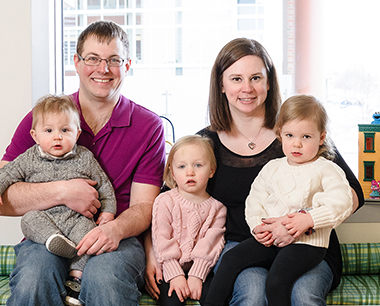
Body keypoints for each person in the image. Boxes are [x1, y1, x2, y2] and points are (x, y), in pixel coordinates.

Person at [144, 38, 364, 306]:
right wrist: (152, 253)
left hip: (309, 246)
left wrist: (301, 222)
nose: (246, 88)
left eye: (256, 78)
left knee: (304, 295)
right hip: (243, 245)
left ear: (269, 83)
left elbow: (352, 193)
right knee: (252, 296)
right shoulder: (204, 144)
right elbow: (164, 202)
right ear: (221, 85)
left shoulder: (297, 133)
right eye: (236, 79)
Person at [0, 20, 166, 306]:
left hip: (116, 236)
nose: (103, 69)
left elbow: (145, 207)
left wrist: (113, 229)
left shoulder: (149, 126)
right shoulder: (44, 119)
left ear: (128, 65)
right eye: (93, 59)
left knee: (105, 279)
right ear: (77, 62)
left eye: (114, 60)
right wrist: (64, 192)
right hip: (47, 231)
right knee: (34, 277)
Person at [203, 94, 353, 306]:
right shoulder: (273, 168)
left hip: (307, 244)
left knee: (276, 281)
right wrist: (259, 227)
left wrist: (307, 219)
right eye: (290, 135)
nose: (297, 144)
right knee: (230, 259)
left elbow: (341, 202)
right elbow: (255, 201)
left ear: (321, 137)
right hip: (271, 239)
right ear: (280, 134)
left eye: (306, 137)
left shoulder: (326, 168)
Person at [0, 94, 117, 306]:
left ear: (77, 133)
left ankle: (75, 279)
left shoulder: (85, 157)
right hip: (45, 219)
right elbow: (4, 175)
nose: (57, 137)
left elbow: (104, 186)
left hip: (77, 219)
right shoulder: (29, 158)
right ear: (35, 135)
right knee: (29, 219)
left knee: (89, 236)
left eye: (65, 130)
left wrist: (108, 212)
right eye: (49, 131)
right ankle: (54, 241)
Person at [152, 135, 226, 306]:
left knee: (215, 298)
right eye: (182, 166)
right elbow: (161, 237)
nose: (190, 172)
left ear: (212, 170)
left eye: (198, 165)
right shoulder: (165, 201)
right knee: (171, 301)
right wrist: (175, 275)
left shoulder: (217, 209)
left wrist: (197, 275)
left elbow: (211, 244)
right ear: (172, 172)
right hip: (169, 268)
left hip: (201, 270)